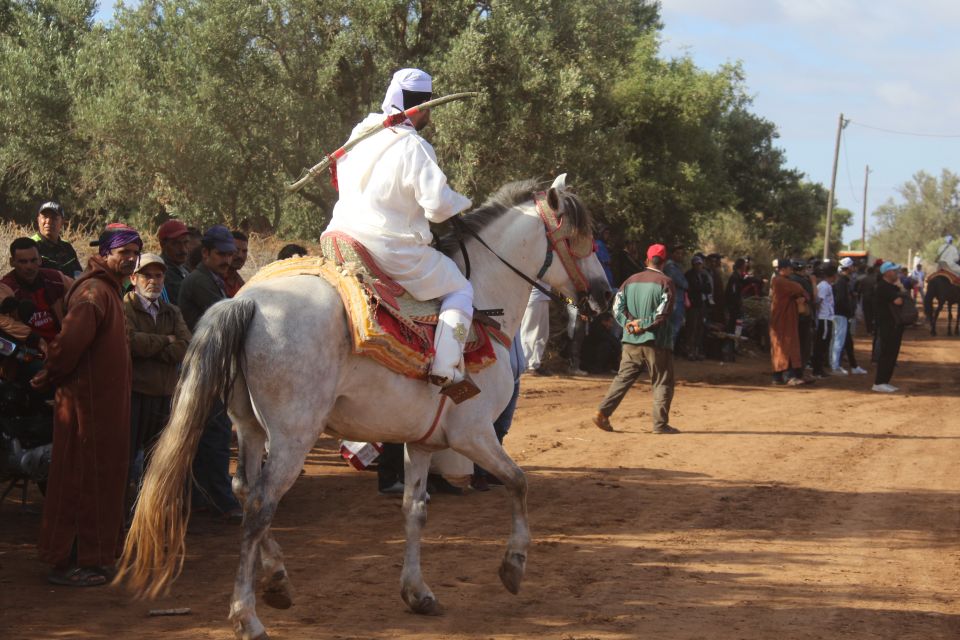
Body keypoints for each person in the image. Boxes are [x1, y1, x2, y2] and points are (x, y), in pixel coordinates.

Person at [323, 68, 474, 394]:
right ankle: (446, 368)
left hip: (337, 238)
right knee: (460, 289)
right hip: (387, 248)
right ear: (422, 107)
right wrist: (464, 202)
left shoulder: (361, 132)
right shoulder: (414, 146)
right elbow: (437, 207)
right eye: (429, 106)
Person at [29, 225, 142, 587]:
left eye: (134, 252)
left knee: (103, 478)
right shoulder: (94, 292)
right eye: (123, 251)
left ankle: (95, 558)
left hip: (105, 409)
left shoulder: (110, 291)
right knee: (82, 480)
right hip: (85, 409)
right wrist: (48, 375)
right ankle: (71, 561)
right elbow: (67, 346)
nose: (130, 258)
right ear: (106, 253)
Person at [177, 225, 242, 519]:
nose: (227, 260)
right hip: (200, 365)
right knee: (214, 434)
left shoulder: (214, 279)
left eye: (230, 254)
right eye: (221, 254)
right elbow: (227, 315)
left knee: (209, 435)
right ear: (205, 253)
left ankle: (204, 497)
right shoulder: (199, 281)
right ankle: (222, 501)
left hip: (209, 365)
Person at [123, 253, 191, 501]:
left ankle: (149, 515)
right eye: (146, 275)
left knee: (157, 462)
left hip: (164, 395)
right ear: (133, 278)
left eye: (158, 275)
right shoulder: (124, 307)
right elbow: (130, 343)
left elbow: (185, 346)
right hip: (134, 395)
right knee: (126, 460)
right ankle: (120, 519)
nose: (153, 281)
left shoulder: (171, 311)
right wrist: (165, 341)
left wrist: (154, 349)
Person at [593, 243, 679, 434]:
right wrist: (643, 324)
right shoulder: (666, 282)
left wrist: (630, 324)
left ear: (646, 260)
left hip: (630, 340)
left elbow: (616, 308)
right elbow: (663, 312)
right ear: (663, 262)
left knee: (623, 378)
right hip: (657, 341)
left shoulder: (630, 281)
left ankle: (602, 413)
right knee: (662, 381)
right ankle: (660, 424)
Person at [0, 237, 73, 346]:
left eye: (33, 260)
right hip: (29, 350)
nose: (29, 266)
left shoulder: (56, 278)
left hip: (62, 343)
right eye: (23, 262)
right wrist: (33, 338)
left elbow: (81, 292)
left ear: (40, 260)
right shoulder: (6, 287)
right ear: (12, 262)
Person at [769, 258, 809, 386]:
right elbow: (800, 289)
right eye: (789, 268)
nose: (791, 270)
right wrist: (803, 296)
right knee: (787, 346)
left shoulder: (778, 280)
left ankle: (777, 377)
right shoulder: (781, 281)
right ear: (783, 269)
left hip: (782, 319)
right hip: (784, 320)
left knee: (779, 347)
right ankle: (789, 376)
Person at [872, 261, 907, 393]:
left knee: (892, 354)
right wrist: (901, 290)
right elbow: (899, 301)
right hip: (887, 324)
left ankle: (885, 381)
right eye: (894, 270)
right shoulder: (883, 287)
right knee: (887, 354)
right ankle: (879, 382)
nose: (896, 272)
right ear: (886, 273)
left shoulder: (891, 286)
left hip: (894, 324)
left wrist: (899, 288)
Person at [831, 257, 867, 375]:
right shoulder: (841, 281)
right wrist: (849, 312)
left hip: (843, 315)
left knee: (847, 342)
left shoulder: (844, 280)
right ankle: (835, 366)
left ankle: (854, 366)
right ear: (848, 267)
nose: (853, 268)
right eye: (852, 266)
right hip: (840, 315)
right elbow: (841, 300)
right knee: (839, 341)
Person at [31, 201, 81, 278]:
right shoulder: (31, 246)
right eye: (44, 217)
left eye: (54, 218)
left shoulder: (67, 248)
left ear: (62, 222)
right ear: (38, 220)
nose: (48, 221)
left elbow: (78, 275)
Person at [156, 219, 191, 305]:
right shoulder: (162, 272)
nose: (183, 249)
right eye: (176, 244)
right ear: (163, 245)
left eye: (185, 242)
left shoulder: (183, 268)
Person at [520, 282, 551, 374]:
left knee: (542, 335)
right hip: (533, 297)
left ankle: (534, 365)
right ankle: (523, 364)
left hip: (544, 296)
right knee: (528, 333)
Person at [812, 264, 836, 378]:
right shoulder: (824, 286)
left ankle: (818, 368)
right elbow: (818, 301)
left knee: (823, 344)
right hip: (824, 318)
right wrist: (818, 315)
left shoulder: (826, 285)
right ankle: (817, 370)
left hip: (826, 317)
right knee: (821, 344)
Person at [663, 245, 688, 350]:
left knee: (674, 328)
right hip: (673, 300)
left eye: (681, 253)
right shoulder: (670, 266)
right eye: (677, 253)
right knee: (671, 328)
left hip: (678, 300)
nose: (680, 256)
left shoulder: (677, 266)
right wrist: (685, 283)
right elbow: (680, 282)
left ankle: (668, 351)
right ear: (672, 254)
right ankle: (666, 350)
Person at [683, 255, 707, 360]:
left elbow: (707, 288)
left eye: (700, 264)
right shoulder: (689, 275)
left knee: (699, 328)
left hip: (701, 305)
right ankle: (689, 351)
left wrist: (701, 288)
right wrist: (701, 288)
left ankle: (696, 350)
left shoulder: (703, 275)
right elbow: (694, 288)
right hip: (692, 305)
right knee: (691, 328)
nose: (699, 266)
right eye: (697, 264)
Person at [223, 231, 248, 298]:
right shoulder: (214, 279)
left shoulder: (241, 284)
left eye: (244, 251)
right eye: (236, 250)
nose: (240, 255)